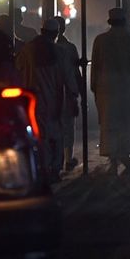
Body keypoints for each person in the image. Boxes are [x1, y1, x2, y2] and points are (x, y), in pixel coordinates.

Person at [15, 18, 78, 182]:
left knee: (39, 135)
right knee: (56, 136)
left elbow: (18, 71)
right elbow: (69, 77)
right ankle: (55, 169)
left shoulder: (27, 50)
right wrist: (74, 95)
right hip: (55, 101)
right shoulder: (60, 51)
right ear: (56, 33)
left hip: (33, 100)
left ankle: (41, 167)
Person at [90, 8, 130, 175]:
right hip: (127, 88)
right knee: (126, 124)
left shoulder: (100, 40)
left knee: (109, 125)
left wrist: (94, 87)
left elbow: (95, 66)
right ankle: (125, 156)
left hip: (106, 89)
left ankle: (113, 160)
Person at [53, 15, 82, 172]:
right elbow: (75, 73)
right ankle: (67, 159)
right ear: (63, 29)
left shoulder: (42, 47)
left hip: (49, 93)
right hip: (66, 92)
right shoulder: (69, 48)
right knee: (68, 128)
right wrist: (80, 91)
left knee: (52, 128)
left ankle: (55, 162)